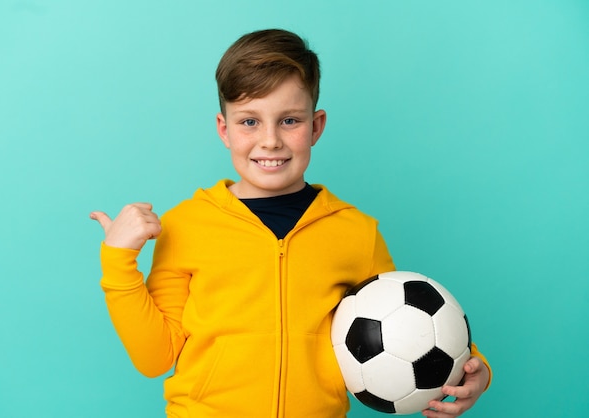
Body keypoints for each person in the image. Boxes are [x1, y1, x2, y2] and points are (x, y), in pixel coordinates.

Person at [90, 29, 491, 418]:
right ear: (223, 129)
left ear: (316, 126)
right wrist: (118, 260)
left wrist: (474, 368)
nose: (270, 141)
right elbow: (155, 358)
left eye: (289, 121)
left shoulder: (356, 232)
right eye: (249, 121)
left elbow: (408, 327)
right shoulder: (186, 226)